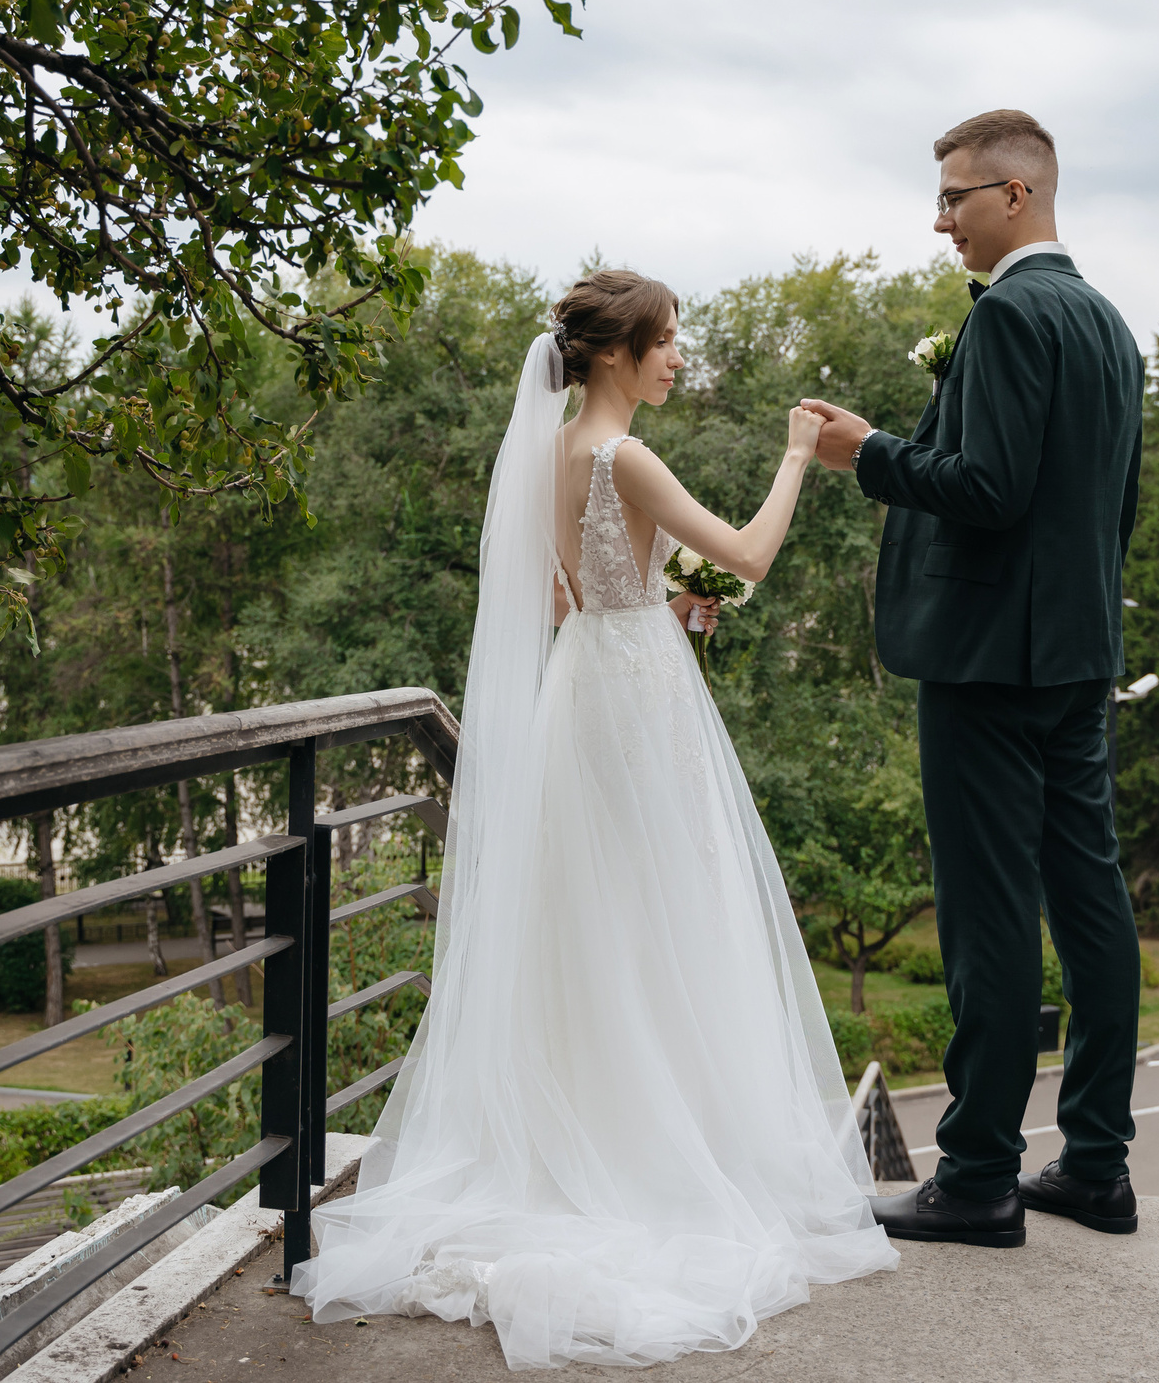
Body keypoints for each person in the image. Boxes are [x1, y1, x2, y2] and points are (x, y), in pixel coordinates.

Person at [294, 270, 897, 1370]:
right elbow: (751, 553)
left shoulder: (549, 452)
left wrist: (673, 606)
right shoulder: (623, 454)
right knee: (665, 910)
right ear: (615, 353)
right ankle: (657, 1152)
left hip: (588, 685)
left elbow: (581, 593)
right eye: (667, 341)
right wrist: (799, 455)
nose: (678, 359)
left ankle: (597, 1130)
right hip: (635, 697)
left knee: (603, 918)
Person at [800, 108, 1146, 1248]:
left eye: (954, 196)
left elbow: (989, 488)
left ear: (1016, 196)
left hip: (989, 663)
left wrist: (871, 455)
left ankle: (980, 1174)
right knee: (1089, 899)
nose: (939, 217)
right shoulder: (1106, 323)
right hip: (1077, 656)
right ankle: (1096, 1163)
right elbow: (1105, 510)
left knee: (989, 911)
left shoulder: (1007, 317)